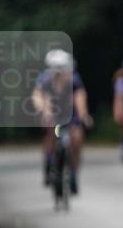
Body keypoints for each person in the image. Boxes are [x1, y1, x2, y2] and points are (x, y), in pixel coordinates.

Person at [31, 49, 92, 194]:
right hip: (53, 113)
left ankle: (74, 174)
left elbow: (80, 97)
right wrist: (44, 111)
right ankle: (48, 163)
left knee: (77, 138)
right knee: (50, 132)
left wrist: (84, 115)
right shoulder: (45, 79)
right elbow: (38, 96)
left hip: (70, 114)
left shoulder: (74, 79)